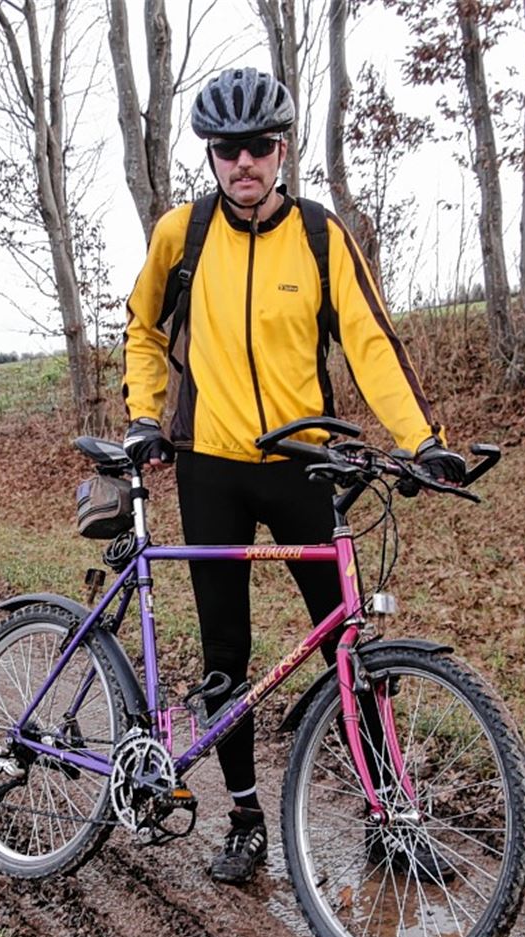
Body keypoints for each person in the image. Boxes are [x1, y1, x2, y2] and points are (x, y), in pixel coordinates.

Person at [120, 66, 465, 885]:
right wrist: (145, 414)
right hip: (210, 466)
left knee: (347, 644)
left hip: (307, 465)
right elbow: (142, 328)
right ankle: (244, 817)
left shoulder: (318, 235)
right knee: (225, 653)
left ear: (283, 149)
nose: (243, 161)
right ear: (211, 155)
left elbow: (370, 340)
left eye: (259, 146)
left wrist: (422, 440)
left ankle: (390, 816)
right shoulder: (182, 235)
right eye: (227, 148)